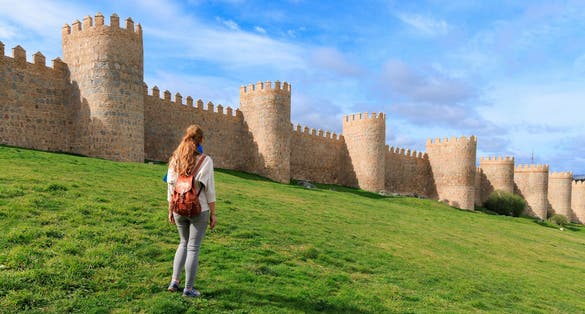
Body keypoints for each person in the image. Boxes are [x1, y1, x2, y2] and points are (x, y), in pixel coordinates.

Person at [166, 125, 216, 297]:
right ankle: (188, 288)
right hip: (198, 209)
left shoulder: (175, 159)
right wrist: (213, 213)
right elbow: (210, 190)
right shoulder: (205, 161)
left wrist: (170, 209)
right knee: (193, 247)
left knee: (183, 243)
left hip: (179, 207)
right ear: (200, 140)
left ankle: (174, 281)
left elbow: (170, 186)